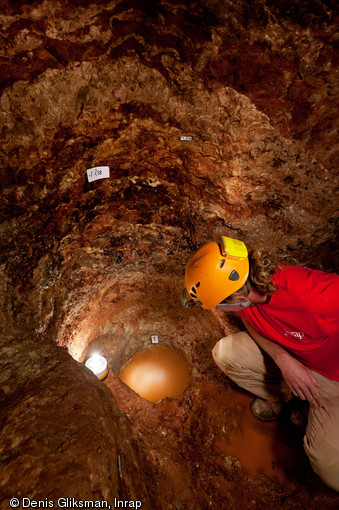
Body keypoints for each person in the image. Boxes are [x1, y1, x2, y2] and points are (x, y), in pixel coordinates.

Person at [181, 236, 339, 491]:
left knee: (328, 463)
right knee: (226, 353)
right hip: (297, 359)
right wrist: (283, 359)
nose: (219, 311)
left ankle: (316, 409)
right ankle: (291, 399)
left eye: (218, 306)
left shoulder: (318, 296)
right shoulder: (245, 284)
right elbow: (252, 322)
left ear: (232, 299)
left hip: (334, 378)